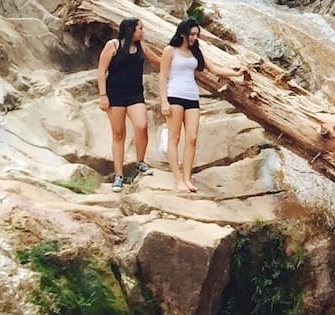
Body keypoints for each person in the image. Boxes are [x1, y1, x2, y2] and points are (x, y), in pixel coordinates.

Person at [159, 19, 243, 193]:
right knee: (174, 138)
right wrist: (164, 101)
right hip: (174, 95)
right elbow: (162, 76)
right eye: (192, 34)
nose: (195, 38)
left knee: (192, 138)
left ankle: (187, 178)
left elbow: (214, 69)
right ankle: (177, 179)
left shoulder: (195, 51)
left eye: (197, 35)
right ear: (183, 33)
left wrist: (236, 73)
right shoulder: (170, 50)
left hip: (192, 97)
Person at [97, 17, 151, 191]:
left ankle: (140, 162)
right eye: (140, 28)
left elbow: (159, 60)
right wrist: (103, 95)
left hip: (135, 94)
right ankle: (119, 175)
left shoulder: (142, 46)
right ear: (131, 30)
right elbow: (101, 71)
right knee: (118, 134)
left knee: (141, 125)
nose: (143, 31)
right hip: (115, 94)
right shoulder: (113, 45)